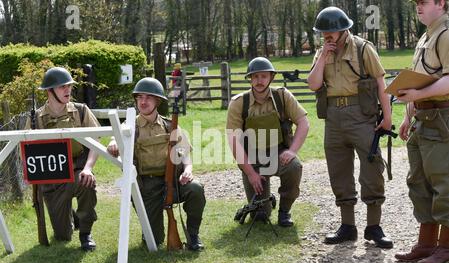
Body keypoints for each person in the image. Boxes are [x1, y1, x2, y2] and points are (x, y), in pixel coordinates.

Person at [307, 7, 393, 248]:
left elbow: (380, 82)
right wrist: (323, 57)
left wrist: (387, 117)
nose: (326, 36)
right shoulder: (321, 53)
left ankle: (374, 227)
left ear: (343, 29)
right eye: (323, 32)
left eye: (330, 32)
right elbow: (314, 85)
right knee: (338, 170)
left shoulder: (364, 48)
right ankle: (347, 226)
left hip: (361, 114)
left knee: (372, 166)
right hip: (333, 116)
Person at [107, 77, 206, 251]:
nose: (143, 101)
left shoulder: (170, 125)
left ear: (157, 101)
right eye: (139, 97)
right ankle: (152, 231)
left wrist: (188, 170)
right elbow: (116, 134)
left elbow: (185, 154)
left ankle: (193, 236)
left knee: (196, 189)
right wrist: (113, 142)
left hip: (173, 183)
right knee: (154, 241)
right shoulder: (130, 125)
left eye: (148, 97)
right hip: (146, 187)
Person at [395, 0, 449, 263]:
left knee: (443, 181)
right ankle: (426, 243)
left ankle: (445, 246)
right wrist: (409, 113)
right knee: (419, 182)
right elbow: (418, 78)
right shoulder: (426, 36)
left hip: (442, 117)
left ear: (441, 3)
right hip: (422, 117)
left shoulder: (447, 34)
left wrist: (418, 96)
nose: (418, 6)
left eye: (423, 1)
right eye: (415, 2)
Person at [226, 57, 309, 227]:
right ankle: (260, 205)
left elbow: (303, 123)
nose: (259, 81)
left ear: (271, 77)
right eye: (255, 77)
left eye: (263, 76)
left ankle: (285, 211)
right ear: (250, 79)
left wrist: (292, 151)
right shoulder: (239, 103)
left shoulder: (282, 96)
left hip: (278, 153)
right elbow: (234, 141)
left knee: (294, 167)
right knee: (260, 217)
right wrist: (250, 173)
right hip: (253, 159)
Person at [25, 67, 100, 251]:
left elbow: (96, 140)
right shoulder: (36, 118)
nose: (67, 90)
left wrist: (88, 168)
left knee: (86, 183)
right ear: (49, 91)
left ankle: (85, 233)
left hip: (77, 171)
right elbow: (26, 151)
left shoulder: (81, 111)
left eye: (69, 86)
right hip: (52, 182)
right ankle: (72, 217)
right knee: (62, 236)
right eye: (62, 87)